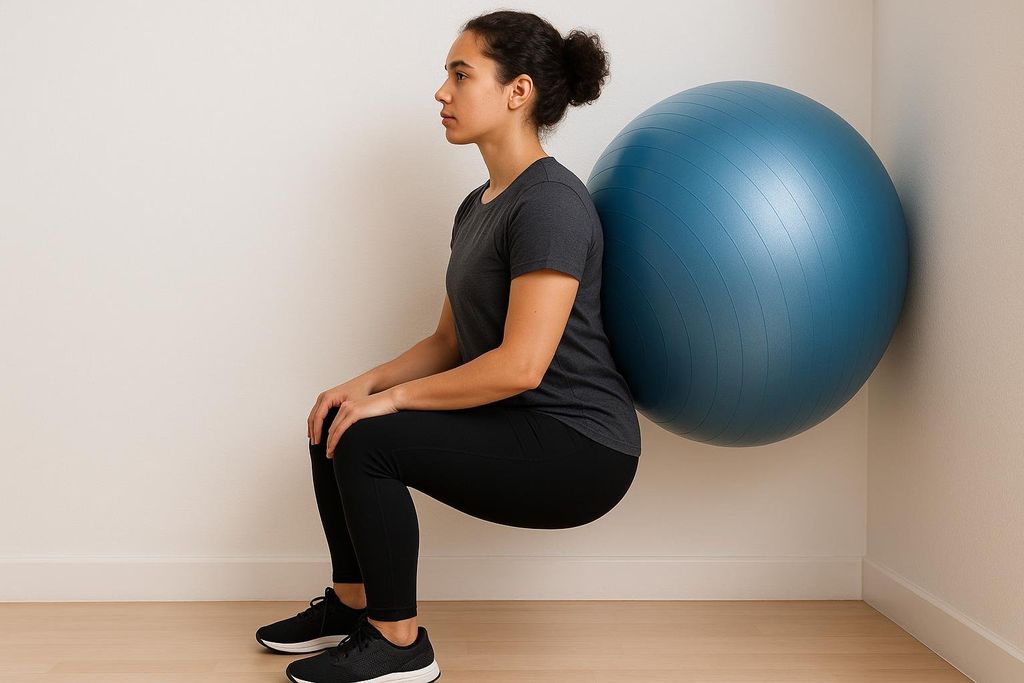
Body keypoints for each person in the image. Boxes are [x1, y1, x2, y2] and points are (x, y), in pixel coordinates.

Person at [256, 10, 641, 683]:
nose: (442, 92)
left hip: (581, 446)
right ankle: (353, 607)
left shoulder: (550, 202)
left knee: (369, 438)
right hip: (525, 419)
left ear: (517, 91)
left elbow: (522, 365)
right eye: (446, 76)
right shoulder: (479, 204)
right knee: (337, 417)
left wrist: (391, 404)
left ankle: (401, 644)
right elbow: (450, 339)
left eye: (460, 75)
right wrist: (364, 386)